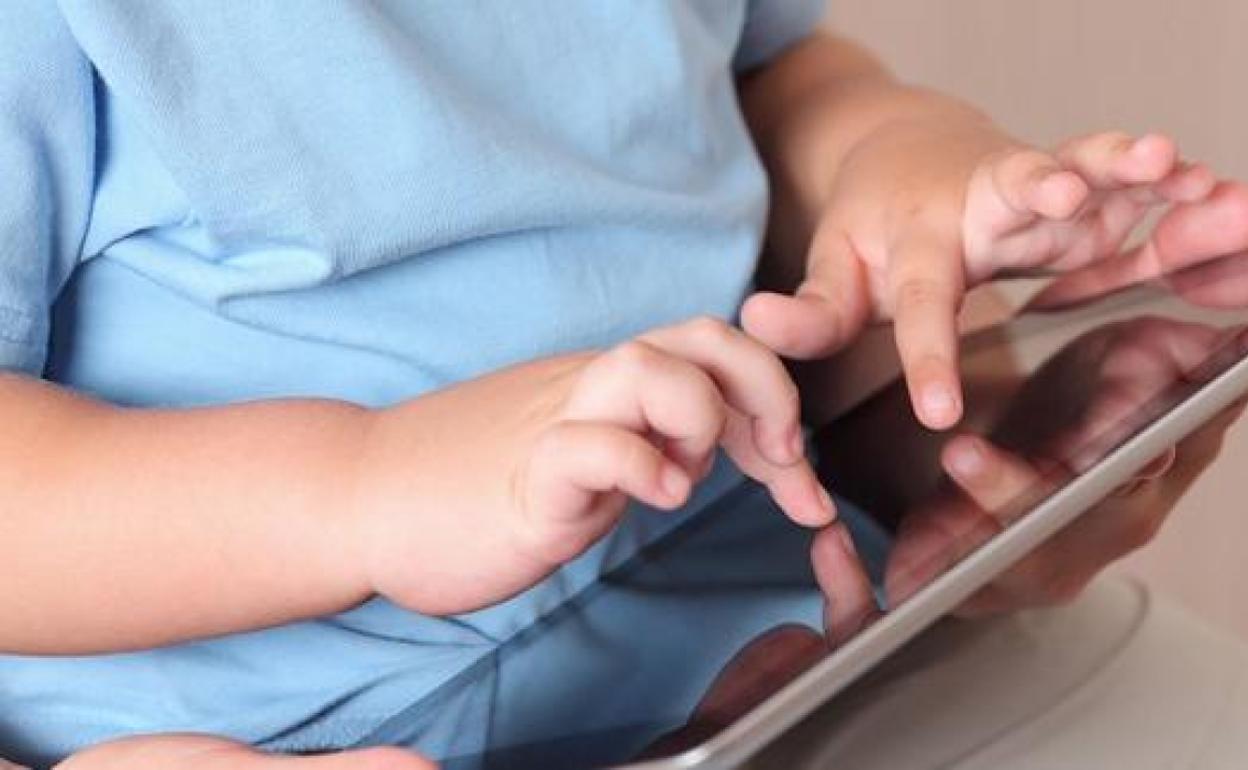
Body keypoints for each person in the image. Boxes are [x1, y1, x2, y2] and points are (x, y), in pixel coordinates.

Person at [4, 2, 1248, 767]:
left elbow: (778, 75)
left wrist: (903, 166)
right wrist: (363, 487)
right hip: (329, 735)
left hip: (794, 628)